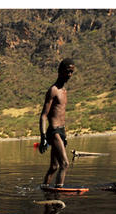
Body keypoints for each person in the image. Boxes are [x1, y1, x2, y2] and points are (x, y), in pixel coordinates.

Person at [39, 58, 75, 188]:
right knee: (65, 164)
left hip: (61, 131)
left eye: (71, 72)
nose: (70, 75)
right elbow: (43, 115)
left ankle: (45, 189)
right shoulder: (53, 90)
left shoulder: (64, 91)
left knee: (54, 167)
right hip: (53, 132)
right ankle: (58, 192)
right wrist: (43, 137)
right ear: (60, 71)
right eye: (67, 71)